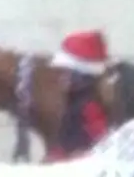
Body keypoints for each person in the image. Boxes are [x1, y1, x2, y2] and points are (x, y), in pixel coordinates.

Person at [46, 30, 112, 160]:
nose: (61, 78)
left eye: (66, 73)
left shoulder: (89, 106)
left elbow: (102, 143)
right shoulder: (73, 102)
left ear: (80, 77)